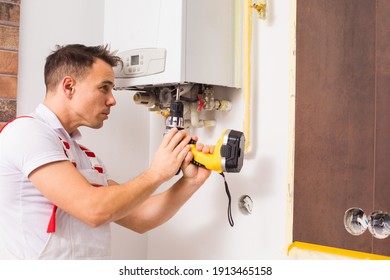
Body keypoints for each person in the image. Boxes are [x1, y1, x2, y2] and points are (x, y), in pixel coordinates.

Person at [0, 44, 212, 259]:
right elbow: (93, 209)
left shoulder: (84, 156)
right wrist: (156, 173)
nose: (112, 100)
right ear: (69, 87)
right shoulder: (27, 132)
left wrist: (189, 182)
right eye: (104, 87)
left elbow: (140, 218)